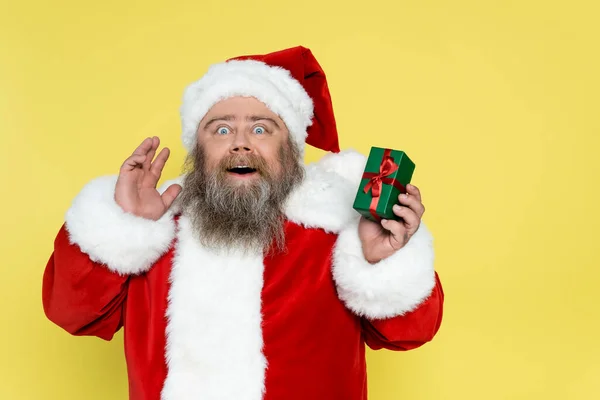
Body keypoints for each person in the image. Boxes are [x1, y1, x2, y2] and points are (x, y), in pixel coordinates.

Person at [42, 46, 444, 400]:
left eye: (260, 128)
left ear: (290, 149)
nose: (240, 142)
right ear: (197, 149)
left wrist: (380, 263)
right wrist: (122, 226)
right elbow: (73, 314)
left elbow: (409, 334)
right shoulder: (156, 227)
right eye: (220, 129)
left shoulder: (337, 229)